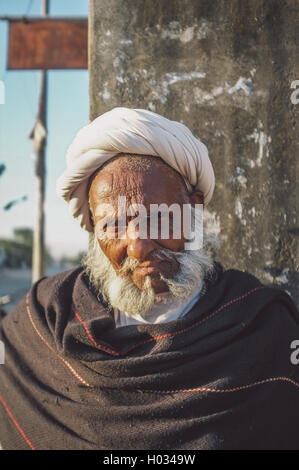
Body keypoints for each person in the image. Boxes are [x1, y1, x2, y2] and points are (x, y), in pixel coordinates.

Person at [0, 108, 298, 450]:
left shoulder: (260, 326)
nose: (138, 246)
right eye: (113, 225)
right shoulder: (44, 319)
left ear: (194, 211)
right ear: (92, 229)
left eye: (159, 217)